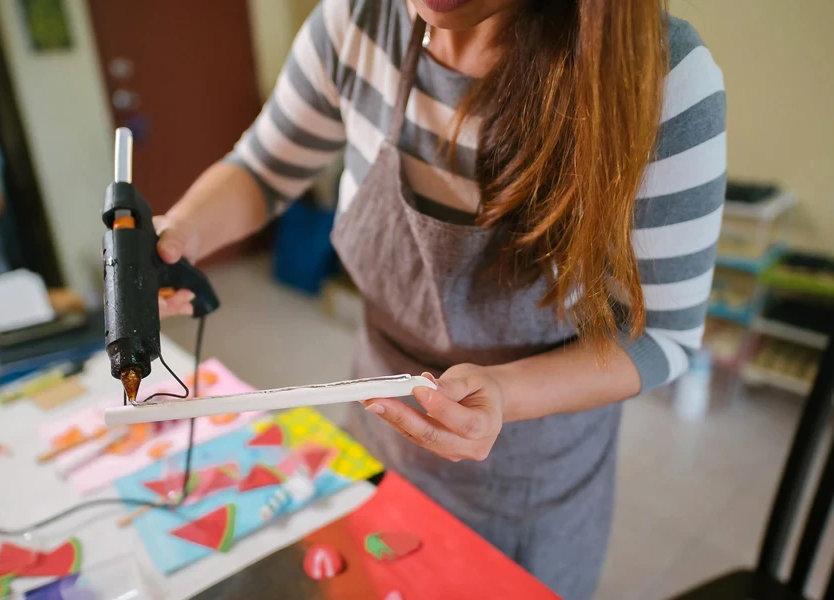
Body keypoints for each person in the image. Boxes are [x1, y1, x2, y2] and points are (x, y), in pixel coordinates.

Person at [155, 0, 725, 597]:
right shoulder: (356, 20)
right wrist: (183, 232)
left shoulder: (659, 80)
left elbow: (663, 335)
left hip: (525, 473)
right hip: (376, 429)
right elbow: (264, 168)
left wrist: (504, 393)